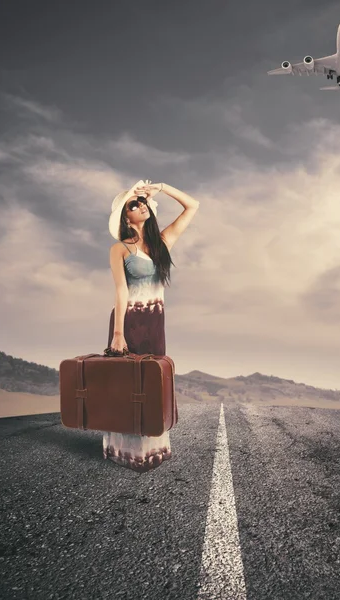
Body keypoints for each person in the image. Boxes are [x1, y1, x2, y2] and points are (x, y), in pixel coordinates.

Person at [103, 179, 200, 472]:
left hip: (155, 321)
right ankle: (126, 450)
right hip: (130, 321)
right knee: (128, 383)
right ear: (125, 216)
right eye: (134, 203)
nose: (141, 205)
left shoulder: (163, 242)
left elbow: (193, 206)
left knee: (152, 381)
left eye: (142, 202)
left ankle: (152, 447)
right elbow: (121, 292)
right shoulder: (119, 249)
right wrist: (118, 334)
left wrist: (162, 187)